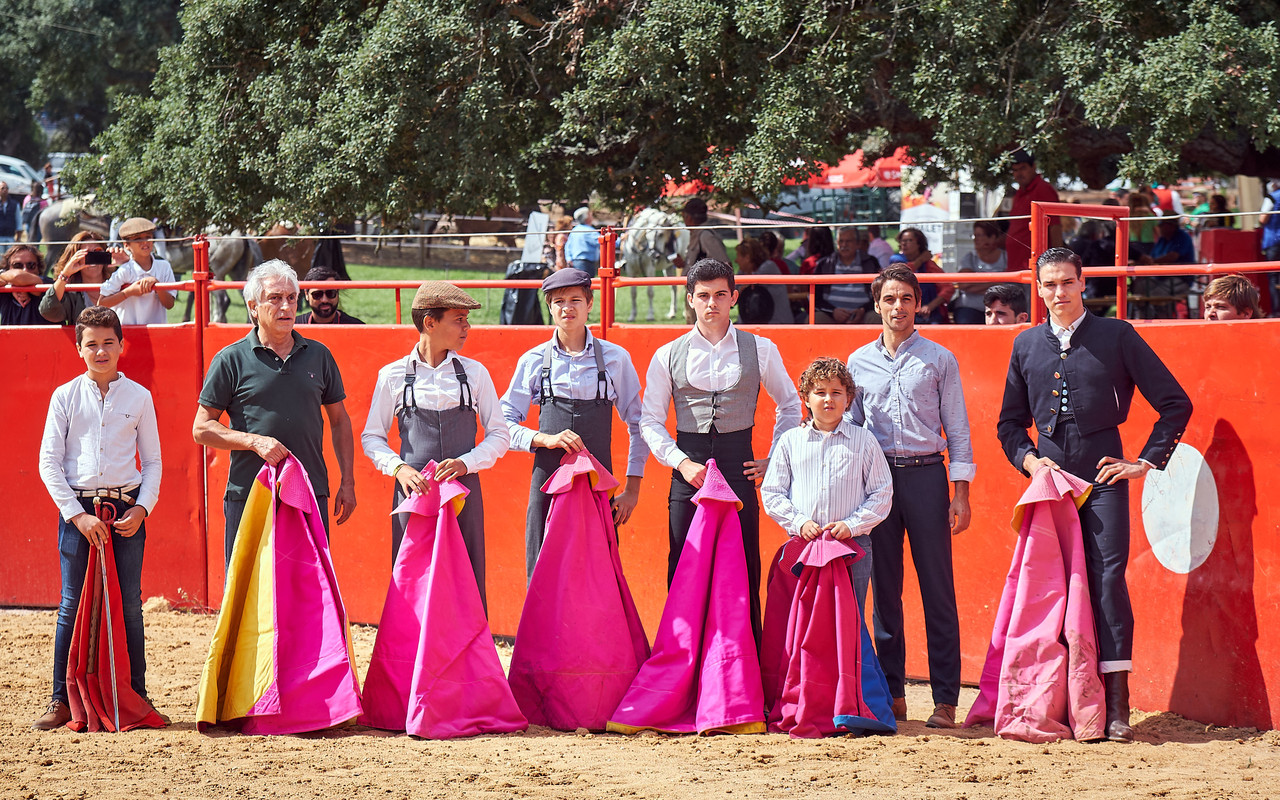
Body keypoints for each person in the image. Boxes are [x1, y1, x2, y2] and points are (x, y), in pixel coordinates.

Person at [997, 247, 1192, 742]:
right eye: (1048, 285)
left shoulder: (1116, 335)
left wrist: (1143, 462)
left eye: (1066, 282)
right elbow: (1008, 426)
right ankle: (1056, 703)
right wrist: (1029, 461)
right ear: (1037, 289)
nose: (1058, 292)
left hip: (1103, 477)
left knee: (1106, 584)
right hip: (1050, 484)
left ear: (1083, 283)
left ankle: (1117, 706)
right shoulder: (1025, 344)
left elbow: (1175, 402)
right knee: (1050, 589)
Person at [640, 258, 802, 643]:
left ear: (734, 298)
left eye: (719, 295)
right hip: (688, 468)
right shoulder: (667, 354)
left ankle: (747, 675)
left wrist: (774, 460)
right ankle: (682, 668)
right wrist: (681, 463)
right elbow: (649, 420)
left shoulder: (760, 349)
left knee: (744, 564)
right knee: (683, 564)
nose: (711, 303)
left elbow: (791, 404)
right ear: (690, 300)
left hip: (737, 465)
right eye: (703, 296)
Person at [846, 264, 974, 730]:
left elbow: (957, 429)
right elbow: (853, 429)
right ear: (876, 304)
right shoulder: (857, 363)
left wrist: (960, 493)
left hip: (926, 477)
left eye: (905, 299)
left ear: (918, 303)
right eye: (889, 299)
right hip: (877, 482)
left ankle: (945, 699)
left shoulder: (940, 359)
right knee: (885, 591)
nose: (897, 307)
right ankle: (894, 691)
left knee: (938, 588)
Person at [33, 306, 162, 730]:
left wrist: (142, 508)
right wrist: (76, 515)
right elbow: (49, 463)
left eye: (109, 343)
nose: (101, 351)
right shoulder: (64, 396)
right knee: (71, 602)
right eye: (92, 344)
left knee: (129, 603)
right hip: (79, 511)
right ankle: (60, 699)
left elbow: (155, 462)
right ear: (79, 349)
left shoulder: (140, 397)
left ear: (122, 347)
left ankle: (137, 696)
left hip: (126, 510)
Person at [193, 260, 357, 566]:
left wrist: (347, 482)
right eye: (275, 298)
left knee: (309, 591)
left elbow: (340, 421)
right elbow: (201, 429)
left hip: (310, 491)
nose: (286, 306)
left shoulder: (319, 355)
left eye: (291, 298)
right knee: (249, 592)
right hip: (251, 494)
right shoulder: (230, 359)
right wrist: (254, 442)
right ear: (253, 307)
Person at [361, 280, 508, 607]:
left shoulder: (475, 374)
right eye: (459, 319)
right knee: (411, 580)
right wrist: (398, 469)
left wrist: (466, 463)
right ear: (430, 322)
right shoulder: (393, 375)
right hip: (413, 494)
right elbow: (372, 437)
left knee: (466, 578)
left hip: (464, 492)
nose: (467, 327)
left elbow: (500, 434)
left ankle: (467, 657)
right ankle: (411, 657)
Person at [501, 268, 647, 579]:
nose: (568, 308)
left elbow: (639, 424)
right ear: (550, 308)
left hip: (595, 487)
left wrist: (632, 487)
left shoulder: (615, 358)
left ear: (590, 304)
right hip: (547, 483)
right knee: (542, 564)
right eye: (559, 302)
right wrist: (544, 439)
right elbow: (503, 424)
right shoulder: (533, 360)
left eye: (576, 300)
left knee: (597, 572)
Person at [761, 356, 892, 610]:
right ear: (806, 398)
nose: (828, 399)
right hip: (803, 543)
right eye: (820, 392)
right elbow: (773, 492)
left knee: (849, 617)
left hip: (852, 546)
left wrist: (852, 525)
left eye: (836, 392)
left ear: (848, 399)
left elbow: (882, 492)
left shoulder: (864, 441)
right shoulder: (790, 442)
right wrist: (800, 523)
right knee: (804, 620)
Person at [98, 218, 177, 325]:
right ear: (126, 245)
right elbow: (102, 303)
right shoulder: (124, 271)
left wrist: (157, 285)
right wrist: (128, 292)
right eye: (138, 239)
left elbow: (169, 304)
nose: (145, 242)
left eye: (148, 237)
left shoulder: (164, 267)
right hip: (127, 333)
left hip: (156, 332)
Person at [673, 198, 730, 324]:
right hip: (697, 293)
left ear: (689, 218)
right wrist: (684, 265)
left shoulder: (705, 235)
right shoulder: (697, 234)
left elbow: (725, 264)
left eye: (684, 216)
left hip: (705, 296)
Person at [1005, 149, 1062, 272]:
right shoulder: (1019, 193)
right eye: (1015, 170)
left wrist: (1058, 263)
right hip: (1015, 266)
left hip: (1034, 268)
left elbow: (1055, 226)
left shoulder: (1043, 189)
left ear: (1033, 167)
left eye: (1023, 168)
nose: (1019, 173)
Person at [39, 232, 113, 325]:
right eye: (85, 254)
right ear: (74, 259)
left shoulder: (118, 280)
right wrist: (65, 274)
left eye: (97, 252)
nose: (92, 258)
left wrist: (126, 262)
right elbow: (47, 311)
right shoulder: (72, 292)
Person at [813, 227, 878, 324]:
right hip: (831, 315)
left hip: (864, 314)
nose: (844, 245)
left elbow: (878, 293)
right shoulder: (825, 264)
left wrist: (862, 310)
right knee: (815, 319)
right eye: (841, 241)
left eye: (848, 241)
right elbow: (816, 298)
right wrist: (832, 311)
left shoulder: (870, 262)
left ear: (857, 243)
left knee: (876, 318)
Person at [953, 221, 1010, 324]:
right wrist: (996, 283)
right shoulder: (969, 258)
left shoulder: (1006, 257)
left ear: (992, 237)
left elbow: (1010, 285)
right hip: (969, 308)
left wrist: (975, 283)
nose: (976, 240)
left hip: (1000, 309)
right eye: (975, 236)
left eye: (979, 235)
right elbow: (963, 284)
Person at [897, 227, 953, 324]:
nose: (904, 244)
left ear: (919, 244)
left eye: (909, 240)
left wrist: (930, 306)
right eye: (902, 241)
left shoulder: (929, 265)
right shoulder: (895, 260)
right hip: (903, 313)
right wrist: (920, 260)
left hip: (930, 315)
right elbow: (901, 273)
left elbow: (948, 288)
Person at [735, 236, 792, 325]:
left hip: (777, 323)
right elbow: (734, 291)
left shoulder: (769, 267)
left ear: (747, 257)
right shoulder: (744, 271)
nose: (736, 260)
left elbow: (745, 287)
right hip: (759, 323)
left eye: (738, 256)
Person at [0, 244, 55, 325]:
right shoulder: (6, 286)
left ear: (38, 267)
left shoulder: (47, 283)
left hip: (43, 337)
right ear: (8, 268)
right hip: (11, 337)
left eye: (31, 265)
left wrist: (12, 283)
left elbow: (18, 276)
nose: (25, 270)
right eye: (17, 266)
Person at [296, 266, 365, 324]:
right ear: (306, 295)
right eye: (317, 295)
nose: (324, 300)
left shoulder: (356, 328)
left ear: (338, 293)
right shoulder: (294, 328)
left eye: (330, 293)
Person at [1259, 180, 1280, 314]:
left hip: (1274, 241)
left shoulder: (1272, 197)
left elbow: (1262, 219)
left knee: (1273, 277)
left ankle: (1277, 312)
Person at [564, 206, 600, 277]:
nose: (592, 216)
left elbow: (568, 246)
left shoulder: (575, 230)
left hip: (576, 262)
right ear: (586, 217)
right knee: (587, 285)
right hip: (586, 263)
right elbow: (602, 240)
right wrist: (620, 240)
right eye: (590, 214)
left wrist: (569, 259)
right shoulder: (589, 231)